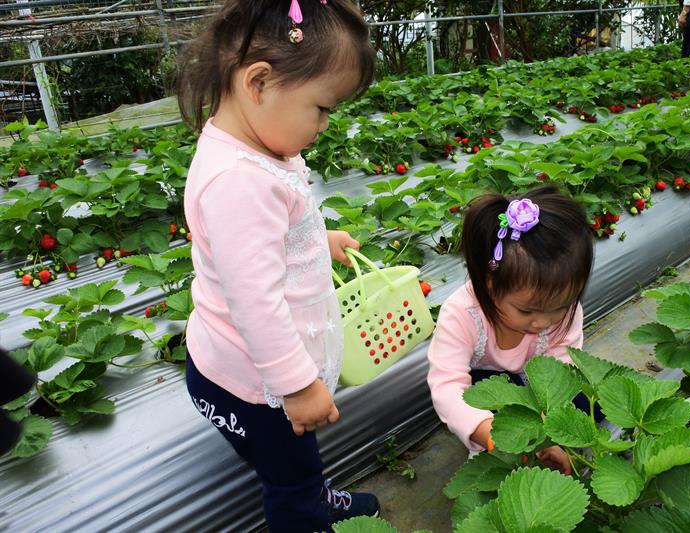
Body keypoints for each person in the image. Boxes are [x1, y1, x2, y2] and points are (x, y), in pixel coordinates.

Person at [176, 1, 377, 531]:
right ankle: (306, 512)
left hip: (257, 370)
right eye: (323, 107)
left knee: (297, 464)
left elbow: (269, 237)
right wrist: (297, 385)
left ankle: (314, 493)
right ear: (259, 82)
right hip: (252, 382)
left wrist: (317, 237)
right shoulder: (238, 182)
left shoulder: (263, 148)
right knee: (289, 474)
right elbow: (255, 303)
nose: (326, 124)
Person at [427, 186, 596, 474]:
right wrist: (491, 433)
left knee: (589, 400)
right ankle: (490, 447)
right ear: (489, 286)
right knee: (480, 398)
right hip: (490, 385)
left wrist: (547, 427)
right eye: (527, 311)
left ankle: (564, 447)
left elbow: (563, 365)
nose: (543, 322)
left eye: (560, 306)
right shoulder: (461, 315)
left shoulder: (565, 309)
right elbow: (447, 386)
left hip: (539, 385)